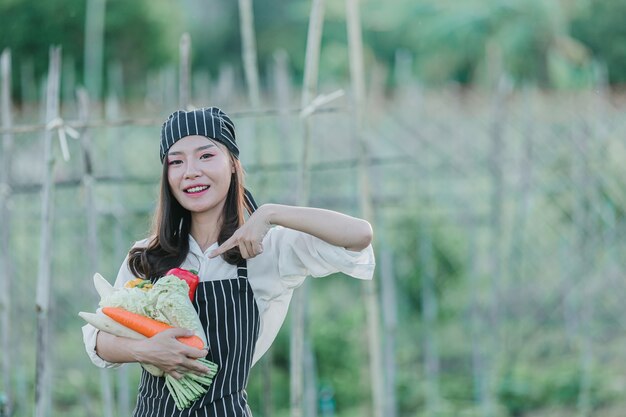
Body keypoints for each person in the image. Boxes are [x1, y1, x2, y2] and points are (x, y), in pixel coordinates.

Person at [82, 107, 375, 416]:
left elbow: (358, 235)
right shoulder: (147, 256)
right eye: (176, 161)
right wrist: (147, 350)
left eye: (206, 156)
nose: (191, 171)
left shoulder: (267, 250)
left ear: (233, 164)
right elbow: (98, 338)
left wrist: (270, 213)